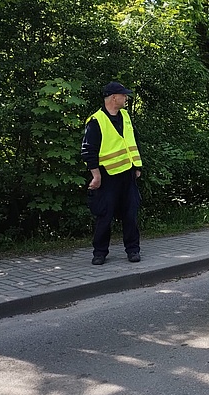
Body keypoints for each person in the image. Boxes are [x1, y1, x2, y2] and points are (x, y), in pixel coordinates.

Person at [81, 81, 143, 265]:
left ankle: (133, 250)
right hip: (108, 177)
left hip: (128, 174)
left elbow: (134, 141)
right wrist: (96, 175)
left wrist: (137, 167)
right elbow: (88, 151)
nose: (126, 98)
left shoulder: (125, 116)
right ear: (114, 97)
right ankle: (99, 253)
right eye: (123, 95)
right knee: (104, 216)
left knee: (131, 214)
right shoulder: (96, 121)